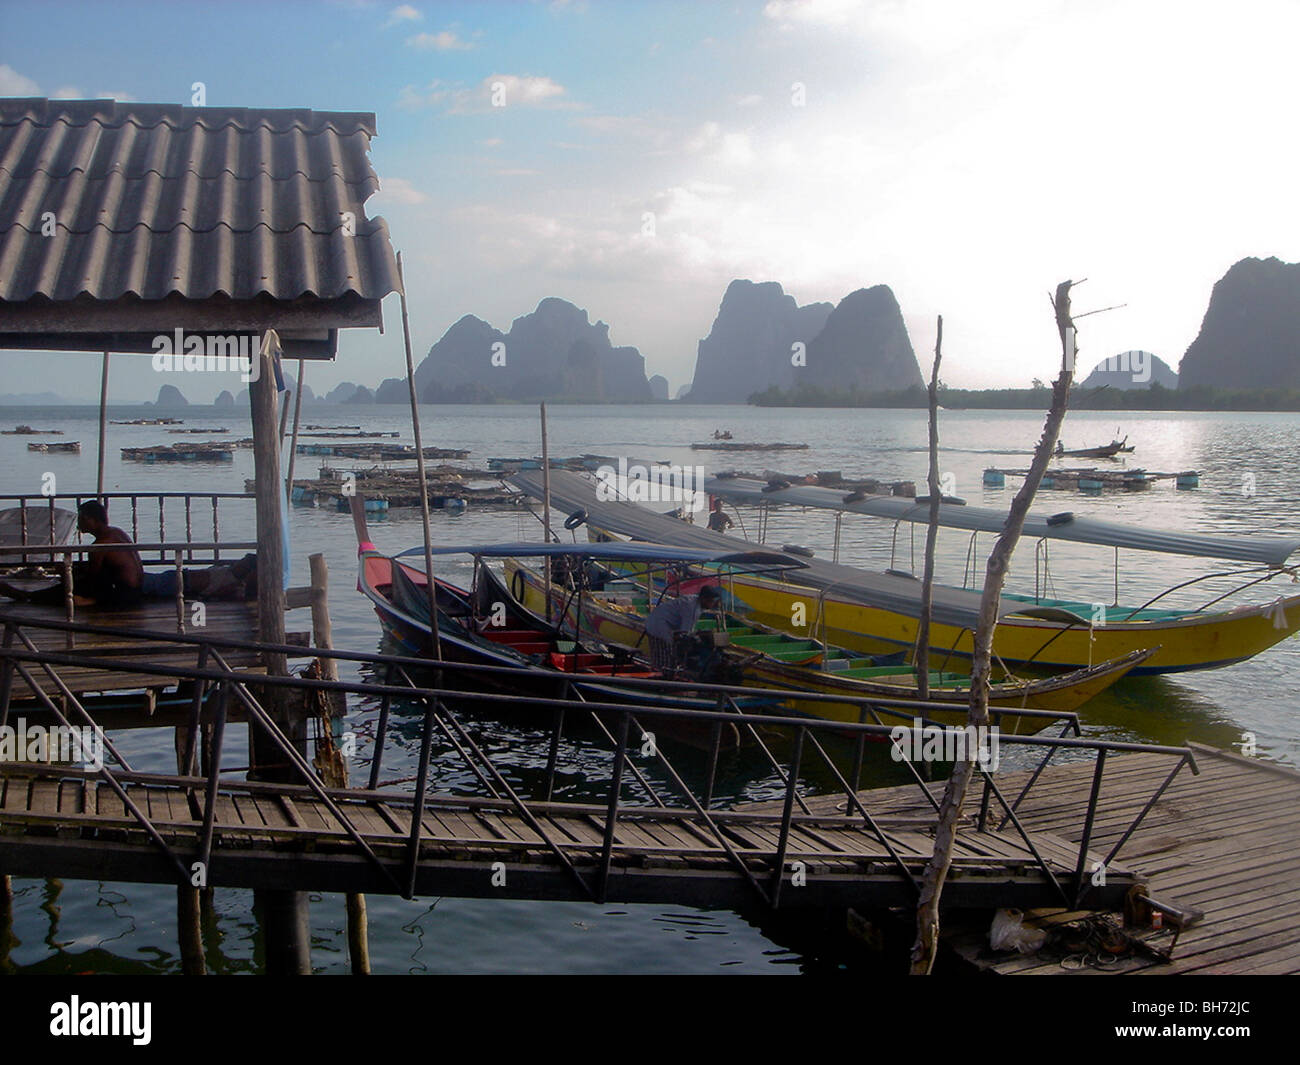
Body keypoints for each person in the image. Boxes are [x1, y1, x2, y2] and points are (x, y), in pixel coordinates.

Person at [0, 500, 143, 609]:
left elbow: (93, 580)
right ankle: (28, 595)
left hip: (121, 597)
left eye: (81, 519)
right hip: (135, 593)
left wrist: (66, 575)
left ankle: (26, 595)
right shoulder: (117, 532)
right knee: (71, 580)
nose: (78, 523)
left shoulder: (100, 545)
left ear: (91, 520)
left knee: (60, 591)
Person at [643, 584, 722, 675]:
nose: (712, 605)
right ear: (704, 599)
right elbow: (685, 633)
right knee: (665, 661)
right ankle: (660, 680)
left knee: (668, 657)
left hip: (661, 623)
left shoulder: (695, 602)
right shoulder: (691, 609)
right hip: (659, 626)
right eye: (711, 602)